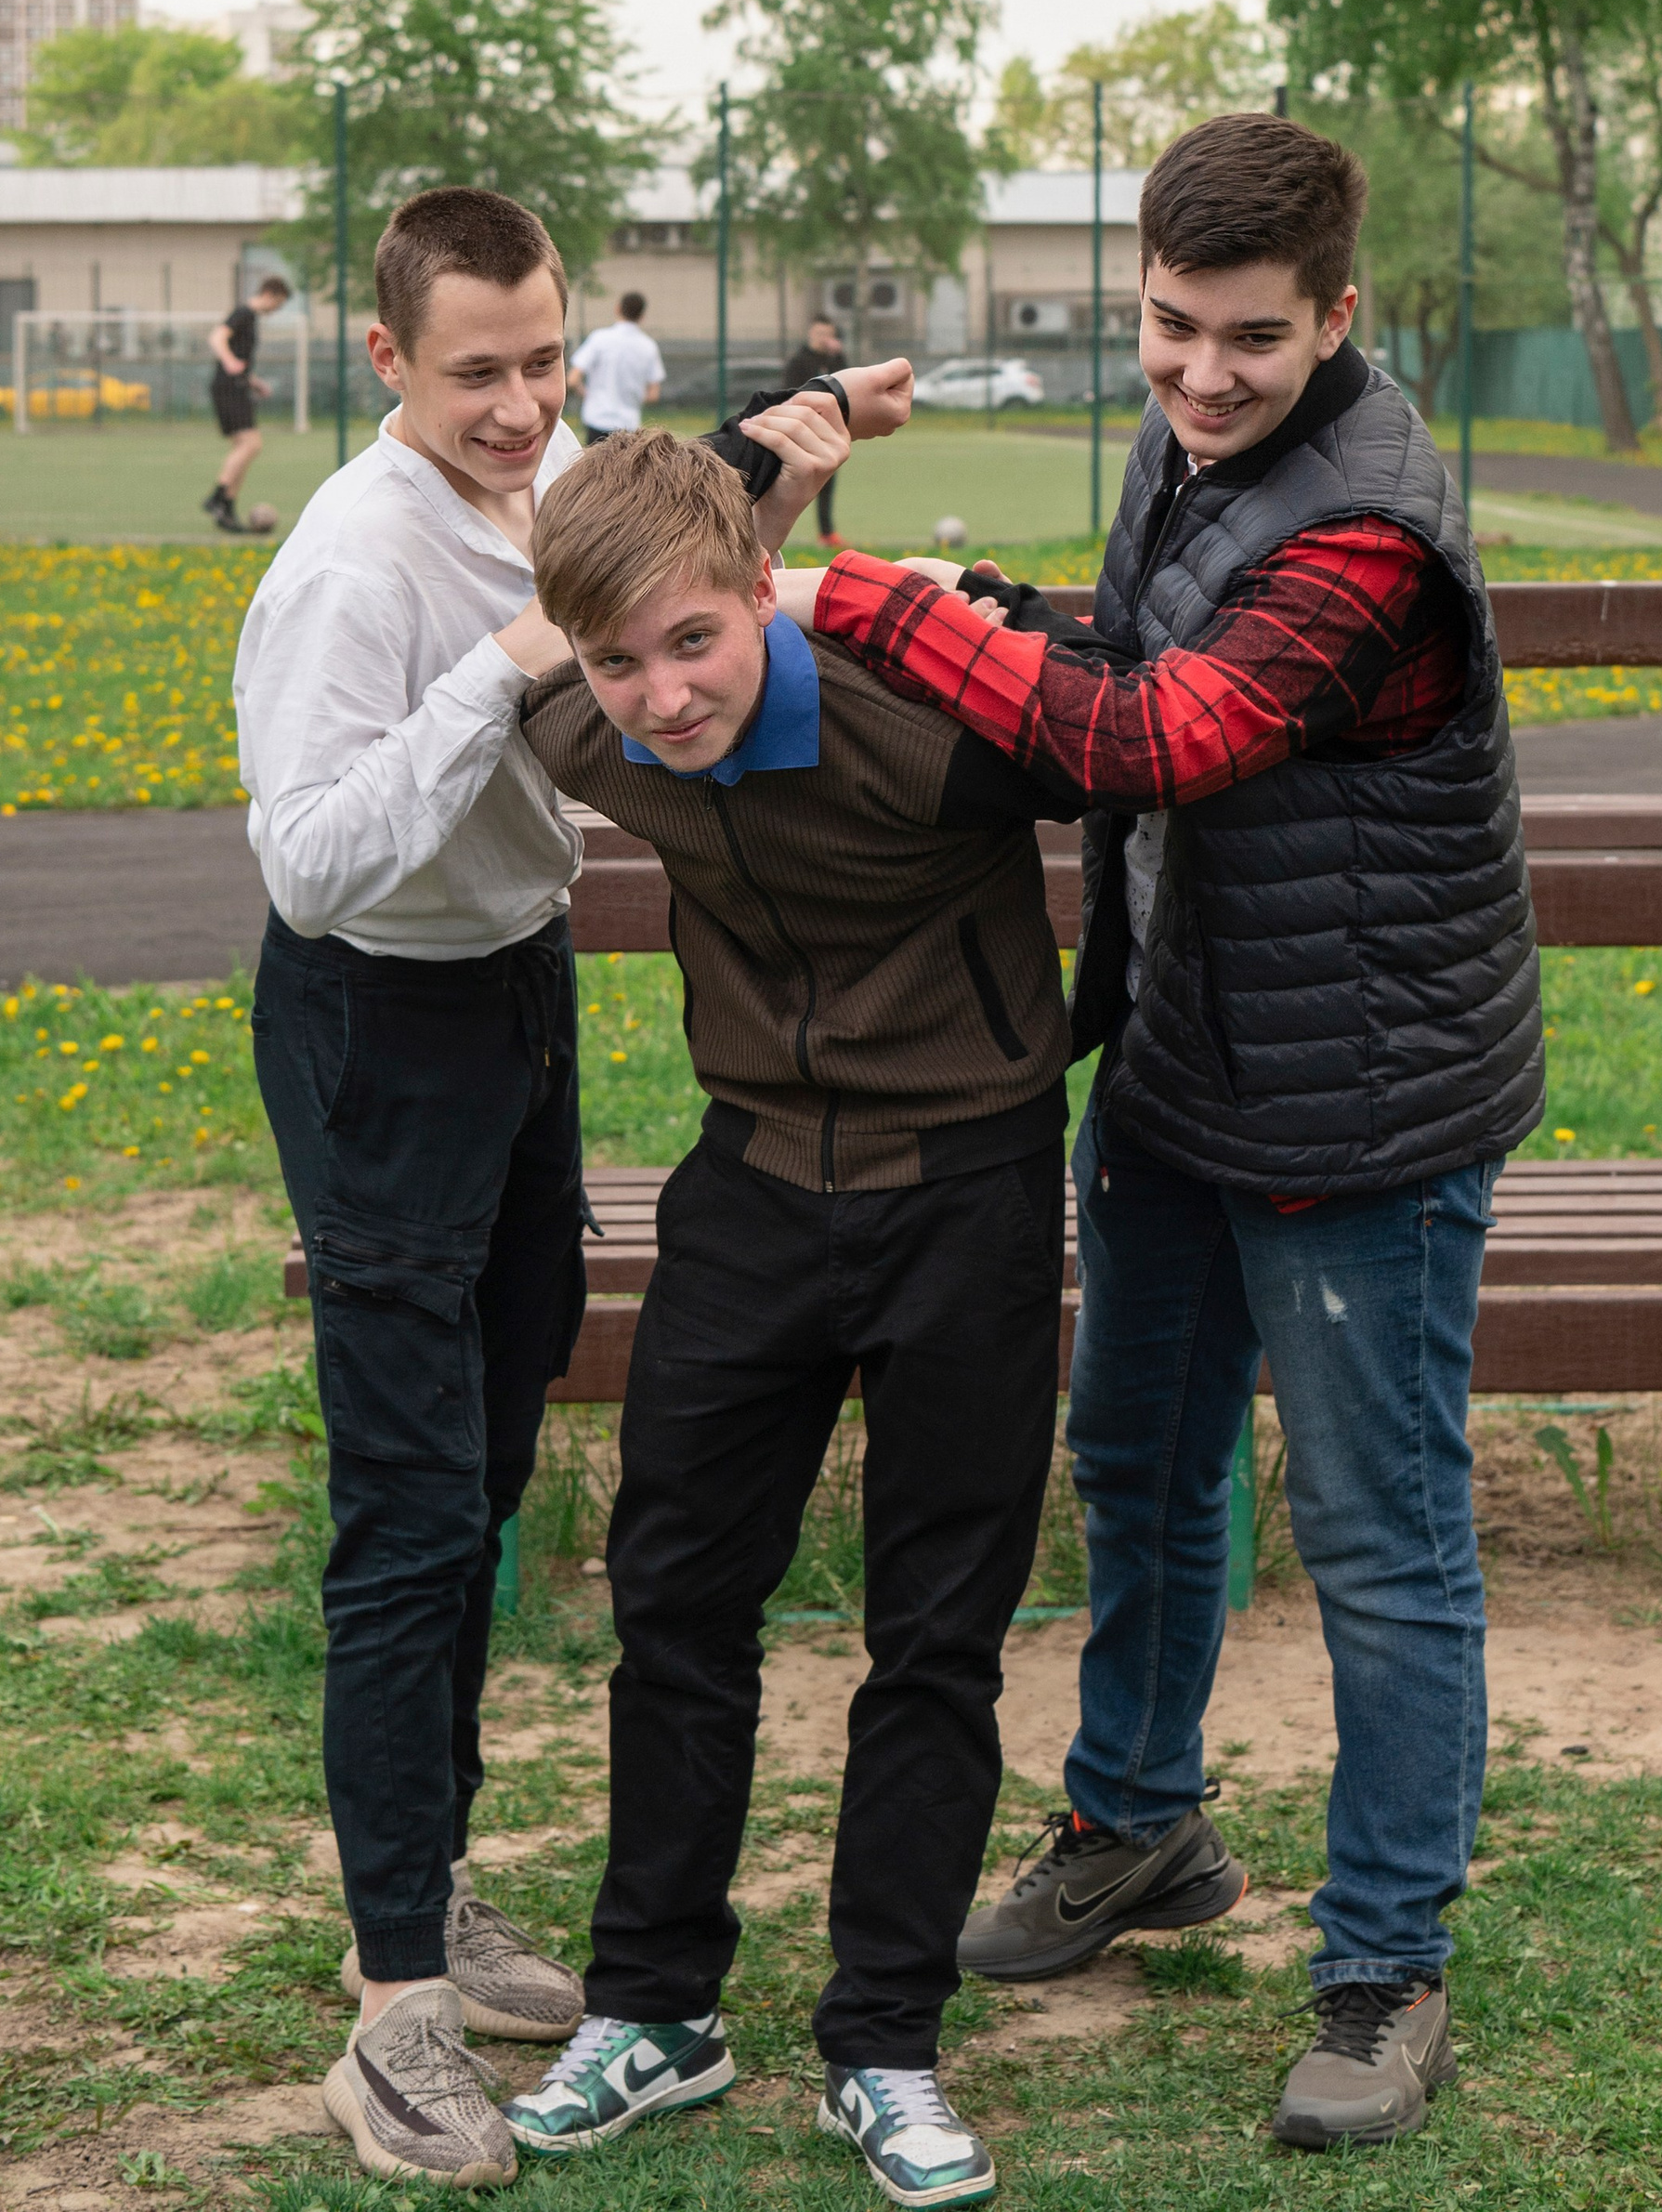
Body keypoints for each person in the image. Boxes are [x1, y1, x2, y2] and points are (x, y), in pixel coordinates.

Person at [775, 111, 1544, 2154]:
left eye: (1251, 342)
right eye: (1170, 329)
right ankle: (1135, 1830)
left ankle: (1385, 1967)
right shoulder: (1192, 450)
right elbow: (1142, 645)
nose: (1201, 375)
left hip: (1359, 1109)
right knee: (1135, 1460)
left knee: (1382, 1549)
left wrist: (860, 597)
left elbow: (1164, 736)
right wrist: (1001, 597)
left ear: (1341, 321)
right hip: (1189, 1066)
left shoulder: (1369, 531)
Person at [233, 188, 889, 2188]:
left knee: (488, 1473)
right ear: (386, 364)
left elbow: (652, 569)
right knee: (410, 1518)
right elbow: (312, 862)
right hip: (375, 1030)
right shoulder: (355, 563)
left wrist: (782, 444)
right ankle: (391, 2019)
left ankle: (419, 1900)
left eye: (542, 363)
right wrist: (496, 659)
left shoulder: (532, 491)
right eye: (478, 376)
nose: (526, 409)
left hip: (507, 1006)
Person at [497, 429, 1086, 2207]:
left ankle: (885, 2041)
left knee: (935, 1631)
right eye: (616, 658)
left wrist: (996, 609)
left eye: (694, 640)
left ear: (769, 593)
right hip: (748, 1188)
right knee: (675, 1598)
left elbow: (1112, 726)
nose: (660, 695)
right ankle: (657, 2008)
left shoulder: (936, 737)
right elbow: (563, 629)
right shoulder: (588, 730)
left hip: (965, 1197)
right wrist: (747, 448)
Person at [204, 273, 291, 533]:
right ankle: (217, 497)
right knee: (252, 444)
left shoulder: (251, 319)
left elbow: (240, 358)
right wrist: (230, 362)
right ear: (270, 295)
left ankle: (227, 508)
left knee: (243, 448)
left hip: (237, 385)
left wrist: (254, 381)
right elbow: (216, 338)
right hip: (228, 387)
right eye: (279, 304)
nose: (276, 310)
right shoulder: (243, 313)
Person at [783, 313, 849, 543]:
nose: (824, 339)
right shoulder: (798, 361)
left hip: (827, 431)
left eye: (829, 334)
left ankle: (827, 533)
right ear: (811, 333)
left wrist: (838, 354)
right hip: (802, 429)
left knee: (827, 481)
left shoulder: (834, 361)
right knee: (795, 485)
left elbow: (847, 385)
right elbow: (790, 393)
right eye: (821, 333)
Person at [569, 288, 666, 441]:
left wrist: (588, 394)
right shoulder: (649, 346)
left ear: (617, 308)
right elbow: (653, 394)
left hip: (597, 419)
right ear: (642, 316)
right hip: (629, 425)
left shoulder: (599, 338)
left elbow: (573, 379)